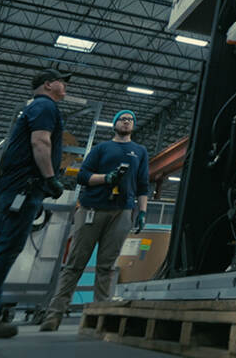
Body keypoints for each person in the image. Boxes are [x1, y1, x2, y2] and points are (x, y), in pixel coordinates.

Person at [0, 70, 69, 338]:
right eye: (61, 81)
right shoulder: (45, 106)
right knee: (8, 247)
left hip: (16, 186)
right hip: (26, 186)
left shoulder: (34, 106)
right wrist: (51, 178)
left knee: (0, 246)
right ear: (48, 84)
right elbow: (40, 142)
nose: (65, 86)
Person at [39, 109, 149, 330]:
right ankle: (54, 314)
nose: (126, 122)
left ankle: (101, 315)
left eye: (130, 120)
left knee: (107, 267)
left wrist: (142, 211)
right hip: (92, 209)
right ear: (114, 124)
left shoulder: (140, 151)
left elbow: (143, 184)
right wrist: (106, 178)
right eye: (122, 119)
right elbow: (82, 176)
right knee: (75, 264)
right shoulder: (101, 148)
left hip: (122, 213)